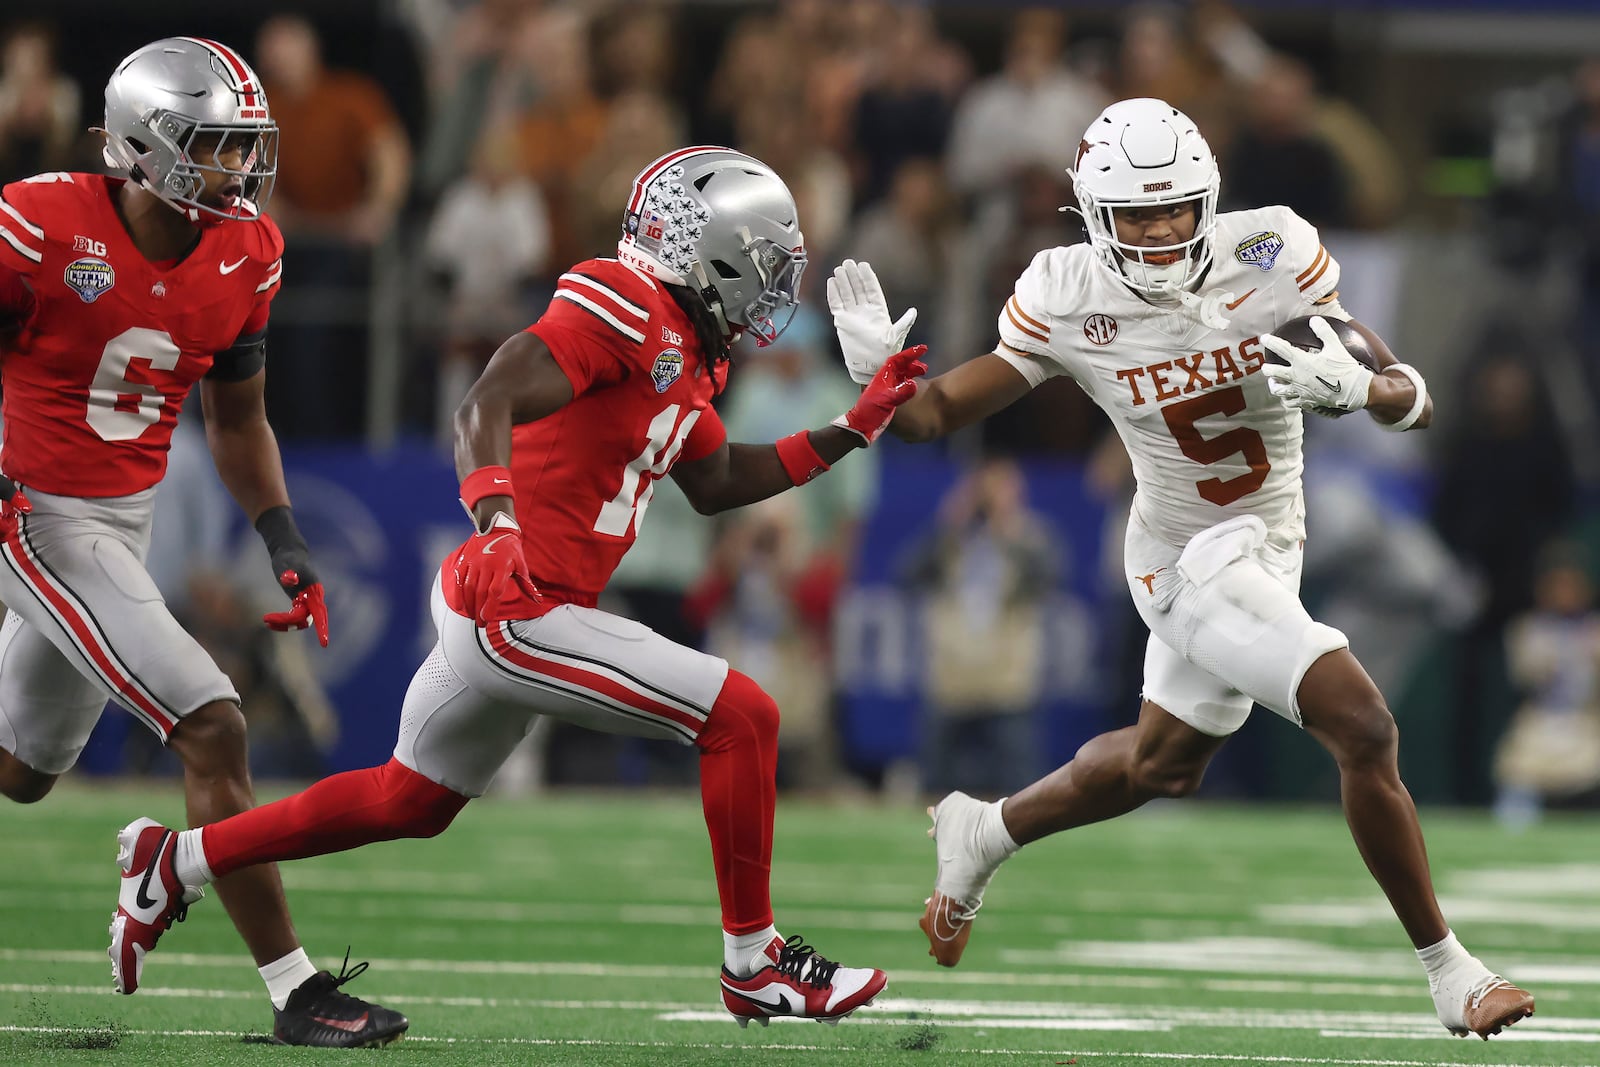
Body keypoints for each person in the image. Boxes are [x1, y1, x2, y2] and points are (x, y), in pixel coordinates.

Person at [110, 146, 922, 1028]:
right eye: (764, 265)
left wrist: (853, 425)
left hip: (513, 603)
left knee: (406, 799)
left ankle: (173, 862)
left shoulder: (688, 345)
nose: (773, 289)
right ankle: (754, 962)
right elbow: (481, 404)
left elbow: (718, 477)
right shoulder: (623, 303)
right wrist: (497, 524)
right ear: (708, 252)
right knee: (745, 714)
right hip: (519, 599)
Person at [826, 98, 1536, 1041]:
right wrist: (878, 383)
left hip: (1272, 540)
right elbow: (929, 417)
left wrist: (1364, 388)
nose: (1162, 231)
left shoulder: (1272, 249)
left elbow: (1416, 399)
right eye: (1137, 214)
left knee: (1162, 765)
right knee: (1363, 724)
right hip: (1182, 557)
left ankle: (982, 831)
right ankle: (1453, 972)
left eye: (1177, 208)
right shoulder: (1068, 289)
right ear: (1093, 217)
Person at [0, 38, 406, 1048]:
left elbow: (235, 419)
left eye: (243, 147)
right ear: (140, 145)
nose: (237, 170)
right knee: (213, 719)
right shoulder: (40, 222)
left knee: (22, 769)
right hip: (35, 507)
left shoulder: (247, 251)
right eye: (214, 147)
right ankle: (296, 986)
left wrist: (282, 534)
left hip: (118, 521)